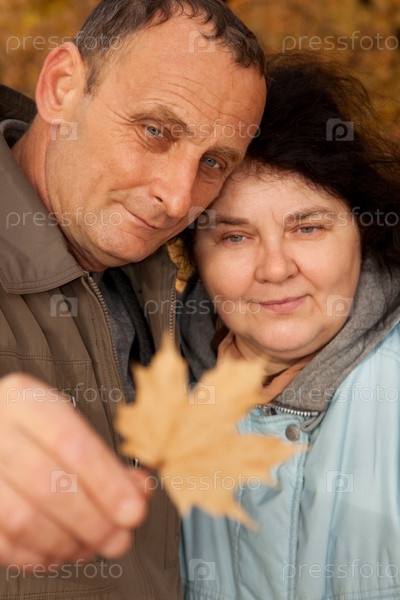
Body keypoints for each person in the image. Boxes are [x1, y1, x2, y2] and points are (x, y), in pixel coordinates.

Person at [0, 0, 266, 597]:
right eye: (155, 131)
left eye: (213, 162)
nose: (178, 198)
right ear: (62, 87)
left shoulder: (170, 297)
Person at [179, 53, 400, 599]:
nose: (275, 269)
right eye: (235, 236)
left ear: (363, 231)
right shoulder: (147, 401)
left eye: (308, 228)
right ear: (194, 256)